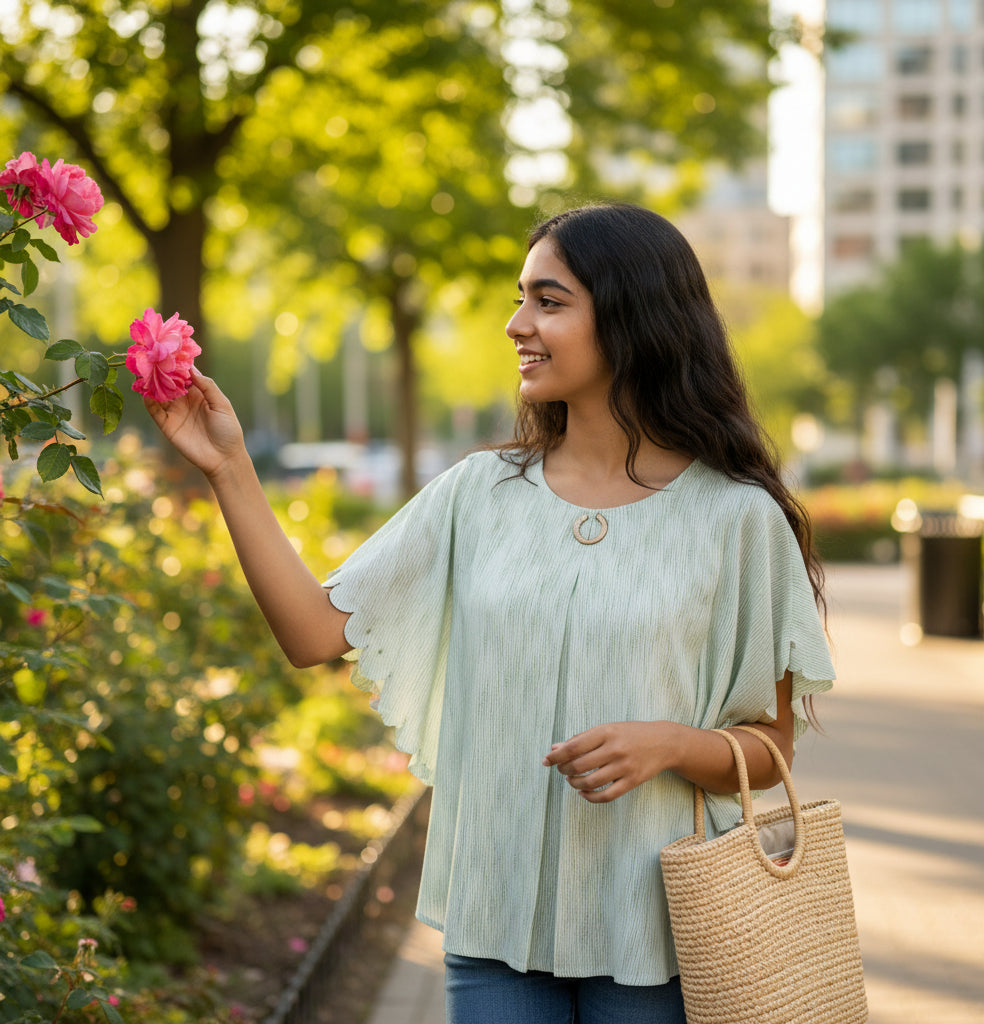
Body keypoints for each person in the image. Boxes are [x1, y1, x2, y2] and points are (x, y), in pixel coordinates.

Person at [145, 202, 835, 1024]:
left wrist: (672, 746)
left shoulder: (738, 520)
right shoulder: (479, 495)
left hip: (659, 930)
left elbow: (772, 750)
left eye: (549, 301)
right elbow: (310, 632)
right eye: (521, 298)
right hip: (494, 925)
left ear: (633, 314)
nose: (517, 325)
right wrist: (227, 467)